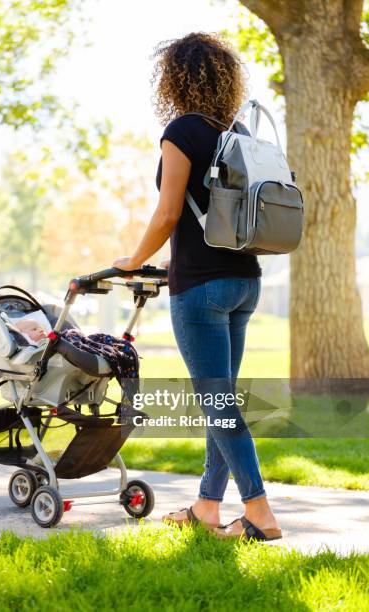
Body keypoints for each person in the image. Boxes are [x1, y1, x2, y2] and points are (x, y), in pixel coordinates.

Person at [112, 32, 281, 541]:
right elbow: (211, 217)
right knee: (222, 399)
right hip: (245, 281)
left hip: (201, 292)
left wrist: (133, 260)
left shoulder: (182, 131)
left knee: (219, 403)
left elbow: (168, 212)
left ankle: (259, 513)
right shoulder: (237, 132)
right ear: (225, 79)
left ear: (176, 78)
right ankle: (208, 506)